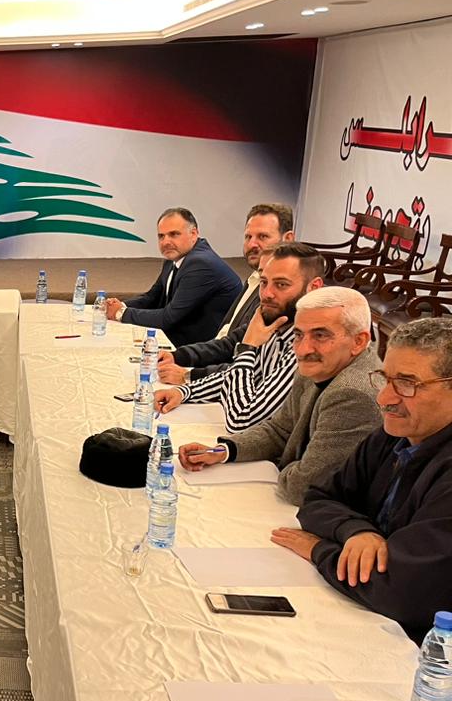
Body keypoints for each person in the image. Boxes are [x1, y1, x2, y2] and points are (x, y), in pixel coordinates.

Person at [272, 318, 452, 642]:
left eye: (407, 383)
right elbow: (318, 498)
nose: (384, 398)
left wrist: (318, 549)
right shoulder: (395, 436)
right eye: (386, 379)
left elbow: (400, 592)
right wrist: (357, 532)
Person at [176, 287, 380, 504]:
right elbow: (280, 430)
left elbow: (304, 487)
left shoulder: (353, 395)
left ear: (359, 341)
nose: (302, 349)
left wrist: (281, 465)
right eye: (298, 335)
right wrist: (223, 451)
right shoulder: (321, 364)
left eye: (320, 335)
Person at [154, 242, 325, 432]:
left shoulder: (308, 345)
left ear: (314, 287)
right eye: (264, 282)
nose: (267, 294)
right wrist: (185, 391)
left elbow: (242, 420)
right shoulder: (280, 325)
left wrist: (247, 347)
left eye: (281, 285)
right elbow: (245, 376)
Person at [158, 204, 296, 384]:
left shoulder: (280, 299)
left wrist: (189, 376)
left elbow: (255, 368)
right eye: (248, 237)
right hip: (216, 369)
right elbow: (231, 342)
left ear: (288, 239)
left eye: (263, 236)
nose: (252, 244)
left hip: (230, 382)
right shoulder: (254, 279)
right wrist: (177, 356)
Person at [104, 207, 242, 346]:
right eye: (161, 236)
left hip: (202, 349)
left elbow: (168, 318)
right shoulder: (174, 258)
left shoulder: (200, 263)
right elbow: (152, 297)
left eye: (174, 234)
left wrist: (121, 313)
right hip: (181, 338)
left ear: (194, 234)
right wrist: (120, 305)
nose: (166, 242)